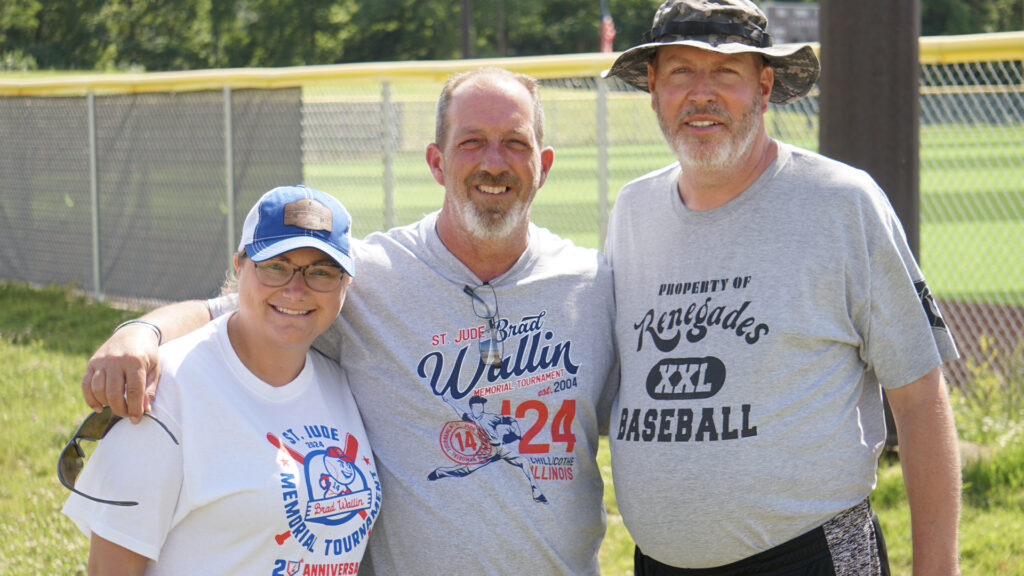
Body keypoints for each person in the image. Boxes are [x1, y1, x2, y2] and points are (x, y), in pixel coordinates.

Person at [79, 67, 618, 575]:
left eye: (515, 142)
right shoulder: (371, 277)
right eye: (472, 141)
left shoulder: (593, 284)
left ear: (544, 164)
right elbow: (230, 309)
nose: (493, 162)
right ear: (436, 161)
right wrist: (140, 333)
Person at [601, 1, 962, 575]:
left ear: (764, 87)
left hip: (809, 557)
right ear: (652, 88)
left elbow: (920, 400)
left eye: (726, 72)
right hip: (657, 563)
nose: (702, 94)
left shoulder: (841, 202)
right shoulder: (632, 210)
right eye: (680, 72)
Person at [62, 185, 380, 574]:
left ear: (346, 286)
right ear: (240, 266)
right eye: (276, 266)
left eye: (322, 272)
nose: (296, 290)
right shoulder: (165, 393)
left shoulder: (339, 382)